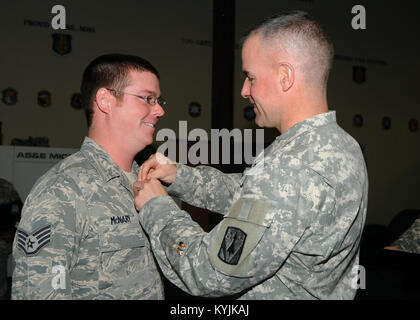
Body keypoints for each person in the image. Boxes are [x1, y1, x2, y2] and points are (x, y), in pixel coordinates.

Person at [133, 11, 369, 299]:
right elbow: (256, 200)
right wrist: (180, 176)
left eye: (250, 77)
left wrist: (157, 206)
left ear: (285, 76)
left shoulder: (291, 165)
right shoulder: (341, 146)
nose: (244, 90)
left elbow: (209, 273)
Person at [12, 54, 166, 299]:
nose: (159, 110)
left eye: (158, 100)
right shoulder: (63, 190)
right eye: (147, 98)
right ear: (105, 100)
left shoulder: (148, 182)